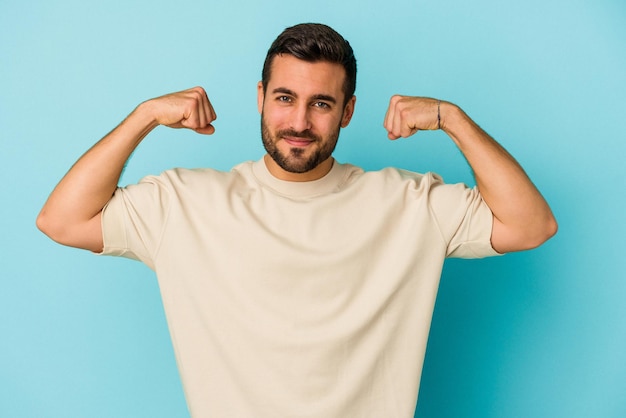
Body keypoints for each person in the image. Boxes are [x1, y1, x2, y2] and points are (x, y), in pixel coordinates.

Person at [37, 23, 556, 418]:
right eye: (285, 98)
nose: (300, 122)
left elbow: (531, 226)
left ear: (348, 111)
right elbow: (62, 220)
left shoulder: (409, 203)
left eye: (321, 104)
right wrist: (143, 116)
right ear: (261, 98)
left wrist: (454, 119)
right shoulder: (184, 203)